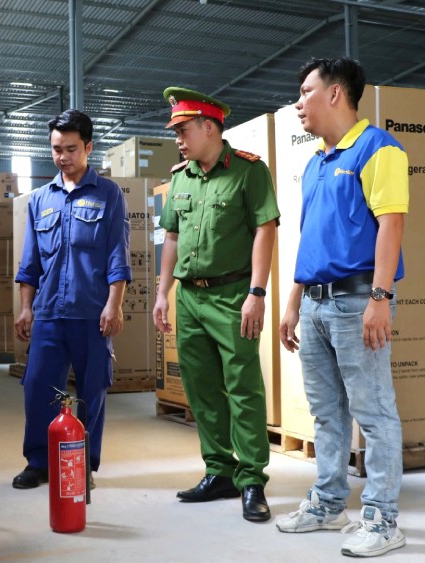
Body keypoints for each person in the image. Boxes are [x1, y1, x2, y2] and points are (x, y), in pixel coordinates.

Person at [275, 57, 409, 558]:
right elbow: (311, 237)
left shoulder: (380, 149)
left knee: (374, 413)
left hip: (357, 301)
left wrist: (380, 297)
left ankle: (382, 517)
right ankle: (329, 504)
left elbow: (391, 225)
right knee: (327, 414)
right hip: (313, 304)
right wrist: (293, 302)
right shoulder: (316, 162)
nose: (298, 102)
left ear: (335, 94)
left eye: (305, 91)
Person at [152, 87, 280, 523]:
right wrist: (161, 293)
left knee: (242, 388)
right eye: (176, 132)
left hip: (232, 295)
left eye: (183, 130)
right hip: (188, 297)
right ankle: (219, 470)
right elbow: (171, 237)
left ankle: (251, 480)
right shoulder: (181, 177)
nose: (178, 140)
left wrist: (257, 293)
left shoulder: (249, 171)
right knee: (202, 388)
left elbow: (266, 229)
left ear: (210, 127)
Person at [12, 109, 131, 490]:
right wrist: (25, 306)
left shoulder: (109, 194)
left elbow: (118, 255)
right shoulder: (40, 200)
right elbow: (30, 261)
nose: (62, 157)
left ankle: (83, 464)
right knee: (38, 386)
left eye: (71, 149)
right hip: (48, 310)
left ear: (88, 148)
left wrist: (115, 303)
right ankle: (38, 461)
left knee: (92, 389)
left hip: (91, 310)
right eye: (56, 149)